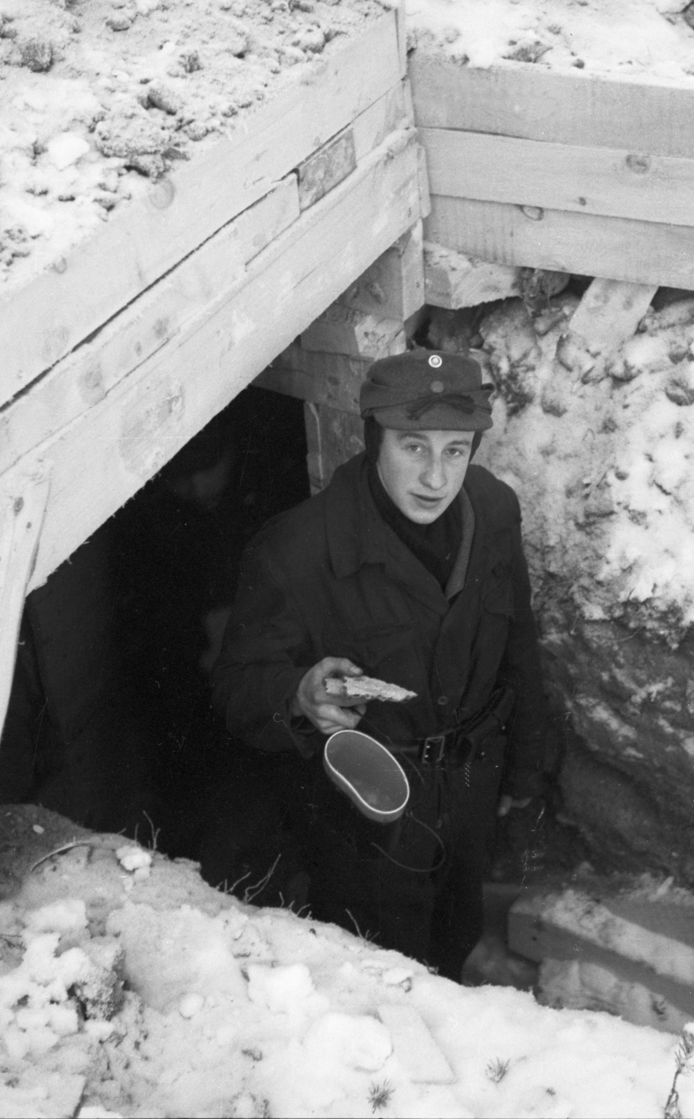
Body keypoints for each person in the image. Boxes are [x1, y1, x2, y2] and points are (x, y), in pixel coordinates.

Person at [211, 349, 546, 980]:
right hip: (367, 819)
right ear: (373, 439)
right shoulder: (295, 550)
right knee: (381, 972)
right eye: (413, 447)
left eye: (455, 450)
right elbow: (235, 689)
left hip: (469, 792)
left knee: (455, 940)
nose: (436, 478)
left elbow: (517, 642)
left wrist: (526, 772)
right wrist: (298, 695)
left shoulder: (493, 510)